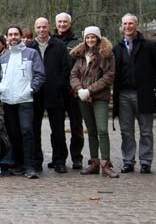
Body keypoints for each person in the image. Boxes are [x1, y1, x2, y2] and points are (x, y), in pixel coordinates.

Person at [112, 13, 156, 174]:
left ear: (136, 25)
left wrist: (148, 79)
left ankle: (145, 161)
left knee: (145, 130)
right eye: (125, 24)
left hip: (144, 94)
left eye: (130, 23)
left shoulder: (149, 45)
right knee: (126, 131)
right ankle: (128, 161)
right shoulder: (117, 48)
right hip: (123, 94)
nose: (128, 27)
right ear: (122, 26)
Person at [0, 25, 45, 179]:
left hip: (25, 100)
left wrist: (30, 89)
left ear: (21, 36)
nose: (13, 37)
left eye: (16, 34)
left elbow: (40, 74)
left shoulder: (32, 54)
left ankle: (30, 166)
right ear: (7, 37)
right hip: (8, 100)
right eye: (10, 34)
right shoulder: (4, 57)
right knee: (13, 133)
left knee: (27, 131)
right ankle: (19, 163)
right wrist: (0, 88)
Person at [69, 26, 118, 178]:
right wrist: (80, 90)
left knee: (102, 129)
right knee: (90, 130)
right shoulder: (81, 55)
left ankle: (105, 162)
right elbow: (73, 75)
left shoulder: (107, 55)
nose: (90, 40)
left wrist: (90, 90)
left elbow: (108, 77)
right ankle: (94, 162)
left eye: (93, 37)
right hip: (83, 98)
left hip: (99, 98)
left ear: (98, 38)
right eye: (87, 37)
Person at [27, 17, 70, 174]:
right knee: (34, 129)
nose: (42, 30)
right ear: (35, 28)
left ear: (49, 27)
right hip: (36, 94)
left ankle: (59, 161)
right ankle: (37, 161)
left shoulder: (59, 46)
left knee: (58, 130)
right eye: (38, 27)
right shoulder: (30, 47)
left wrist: (59, 85)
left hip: (55, 94)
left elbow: (66, 69)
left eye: (44, 27)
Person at [52, 12, 85, 170]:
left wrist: (78, 86)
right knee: (56, 128)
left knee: (76, 126)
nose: (62, 24)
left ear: (69, 23)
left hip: (74, 91)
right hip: (57, 91)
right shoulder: (51, 41)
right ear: (56, 23)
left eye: (65, 22)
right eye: (60, 22)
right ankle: (58, 157)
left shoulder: (78, 42)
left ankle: (77, 157)